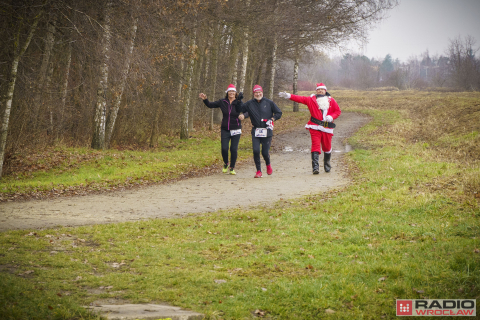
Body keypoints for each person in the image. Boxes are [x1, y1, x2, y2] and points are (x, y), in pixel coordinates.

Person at [278, 83, 341, 174]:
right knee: (315, 145)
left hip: (327, 127)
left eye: (322, 89)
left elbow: (338, 111)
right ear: (316, 90)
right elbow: (299, 98)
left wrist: (331, 117)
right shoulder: (311, 99)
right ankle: (315, 167)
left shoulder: (331, 100)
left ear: (325, 91)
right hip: (314, 126)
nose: (320, 91)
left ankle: (327, 163)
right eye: (318, 89)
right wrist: (288, 95)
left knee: (327, 147)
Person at [234, 85, 282, 178]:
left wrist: (272, 118)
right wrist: (239, 101)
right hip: (256, 130)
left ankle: (268, 164)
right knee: (256, 151)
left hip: (267, 130)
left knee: (265, 152)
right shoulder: (250, 103)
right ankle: (258, 171)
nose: (258, 94)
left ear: (262, 92)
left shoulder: (269, 102)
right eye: (256, 92)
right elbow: (240, 109)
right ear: (254, 94)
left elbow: (279, 113)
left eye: (259, 92)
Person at [199, 84, 247, 175]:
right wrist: (205, 99)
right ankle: (226, 163)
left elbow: (245, 111)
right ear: (227, 92)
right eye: (230, 91)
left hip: (236, 128)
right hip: (225, 129)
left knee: (233, 149)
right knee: (224, 148)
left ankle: (232, 167)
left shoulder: (238, 102)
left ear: (235, 93)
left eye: (233, 91)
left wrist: (244, 115)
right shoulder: (222, 101)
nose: (231, 93)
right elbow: (210, 105)